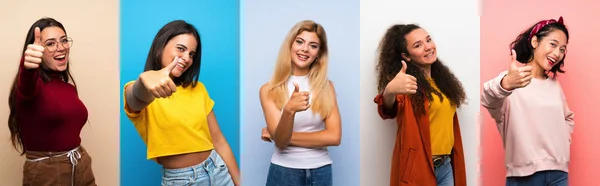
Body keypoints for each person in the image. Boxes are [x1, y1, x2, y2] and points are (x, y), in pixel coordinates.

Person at [123, 20, 240, 186]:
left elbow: (219, 141)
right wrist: (144, 80)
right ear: (159, 48)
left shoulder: (198, 89)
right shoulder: (141, 89)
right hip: (181, 180)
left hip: (218, 171)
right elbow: (135, 96)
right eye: (181, 49)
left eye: (192, 54)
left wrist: (239, 181)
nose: (187, 58)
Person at [481, 16, 573, 186]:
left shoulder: (554, 86)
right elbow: (488, 98)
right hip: (523, 176)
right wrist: (506, 84)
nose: (557, 53)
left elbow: (568, 118)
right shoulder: (511, 81)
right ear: (535, 42)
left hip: (559, 174)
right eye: (553, 44)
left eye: (562, 49)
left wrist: (563, 141)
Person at [374, 24, 467, 186]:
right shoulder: (407, 84)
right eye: (418, 45)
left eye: (428, 40)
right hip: (419, 167)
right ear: (407, 56)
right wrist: (389, 91)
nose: (427, 47)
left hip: (445, 166)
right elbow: (388, 109)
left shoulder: (443, 83)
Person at [7, 17, 96, 186]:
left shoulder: (67, 87)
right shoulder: (30, 87)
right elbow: (27, 83)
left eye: (63, 41)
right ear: (37, 50)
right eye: (50, 44)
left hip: (80, 166)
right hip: (47, 174)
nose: (61, 47)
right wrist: (27, 66)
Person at [259, 20, 342, 186]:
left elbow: (334, 137)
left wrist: (276, 134)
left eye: (313, 45)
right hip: (284, 172)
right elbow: (281, 143)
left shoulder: (327, 87)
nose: (305, 49)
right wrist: (289, 110)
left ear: (319, 53)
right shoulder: (268, 90)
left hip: (321, 171)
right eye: (299, 42)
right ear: (290, 45)